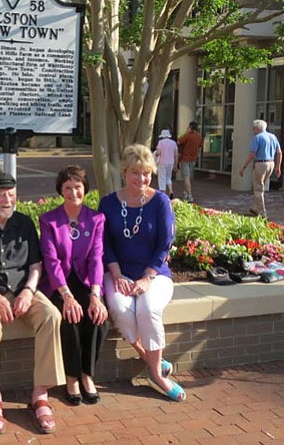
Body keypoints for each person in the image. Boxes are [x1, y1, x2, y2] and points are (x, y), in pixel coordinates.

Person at [0, 172, 65, 435]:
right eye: (0, 194)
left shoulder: (23, 223)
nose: (6, 199)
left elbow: (36, 265)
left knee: (51, 315)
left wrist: (28, 292)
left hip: (23, 290)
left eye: (11, 194)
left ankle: (40, 393)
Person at [98, 144, 185, 402]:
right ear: (124, 172)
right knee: (122, 312)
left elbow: (164, 244)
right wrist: (116, 274)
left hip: (155, 274)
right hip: (118, 273)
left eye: (147, 173)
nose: (142, 178)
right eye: (136, 172)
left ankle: (157, 374)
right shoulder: (108, 203)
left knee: (147, 309)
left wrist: (147, 278)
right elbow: (105, 244)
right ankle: (150, 357)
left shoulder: (160, 201)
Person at [38, 166, 109, 407]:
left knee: (98, 318)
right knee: (70, 318)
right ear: (61, 190)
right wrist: (67, 296)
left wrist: (96, 295)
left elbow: (96, 258)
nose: (73, 192)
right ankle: (71, 378)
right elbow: (51, 261)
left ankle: (87, 375)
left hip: (87, 282)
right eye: (67, 187)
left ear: (84, 189)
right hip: (59, 286)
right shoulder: (49, 221)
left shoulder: (96, 219)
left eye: (77, 187)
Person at [239, 119, 282, 218]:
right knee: (263, 187)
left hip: (261, 163)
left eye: (254, 128)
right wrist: (278, 166)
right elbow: (279, 152)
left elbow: (252, 154)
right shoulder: (273, 136)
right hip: (271, 163)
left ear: (257, 128)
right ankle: (256, 207)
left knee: (258, 188)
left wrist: (244, 167)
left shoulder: (257, 138)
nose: (253, 130)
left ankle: (262, 212)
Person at [177, 121, 203, 202]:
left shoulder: (187, 136)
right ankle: (185, 193)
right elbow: (200, 147)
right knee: (188, 177)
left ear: (191, 128)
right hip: (193, 159)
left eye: (188, 127)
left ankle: (189, 195)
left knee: (186, 177)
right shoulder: (199, 137)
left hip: (185, 158)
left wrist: (185, 133)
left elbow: (179, 141)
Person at [154, 129, 178, 199]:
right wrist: (176, 164)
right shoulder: (173, 143)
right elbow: (176, 154)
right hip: (171, 162)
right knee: (168, 178)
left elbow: (158, 152)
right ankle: (170, 190)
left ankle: (163, 195)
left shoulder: (161, 142)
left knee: (162, 178)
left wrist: (155, 154)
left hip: (162, 162)